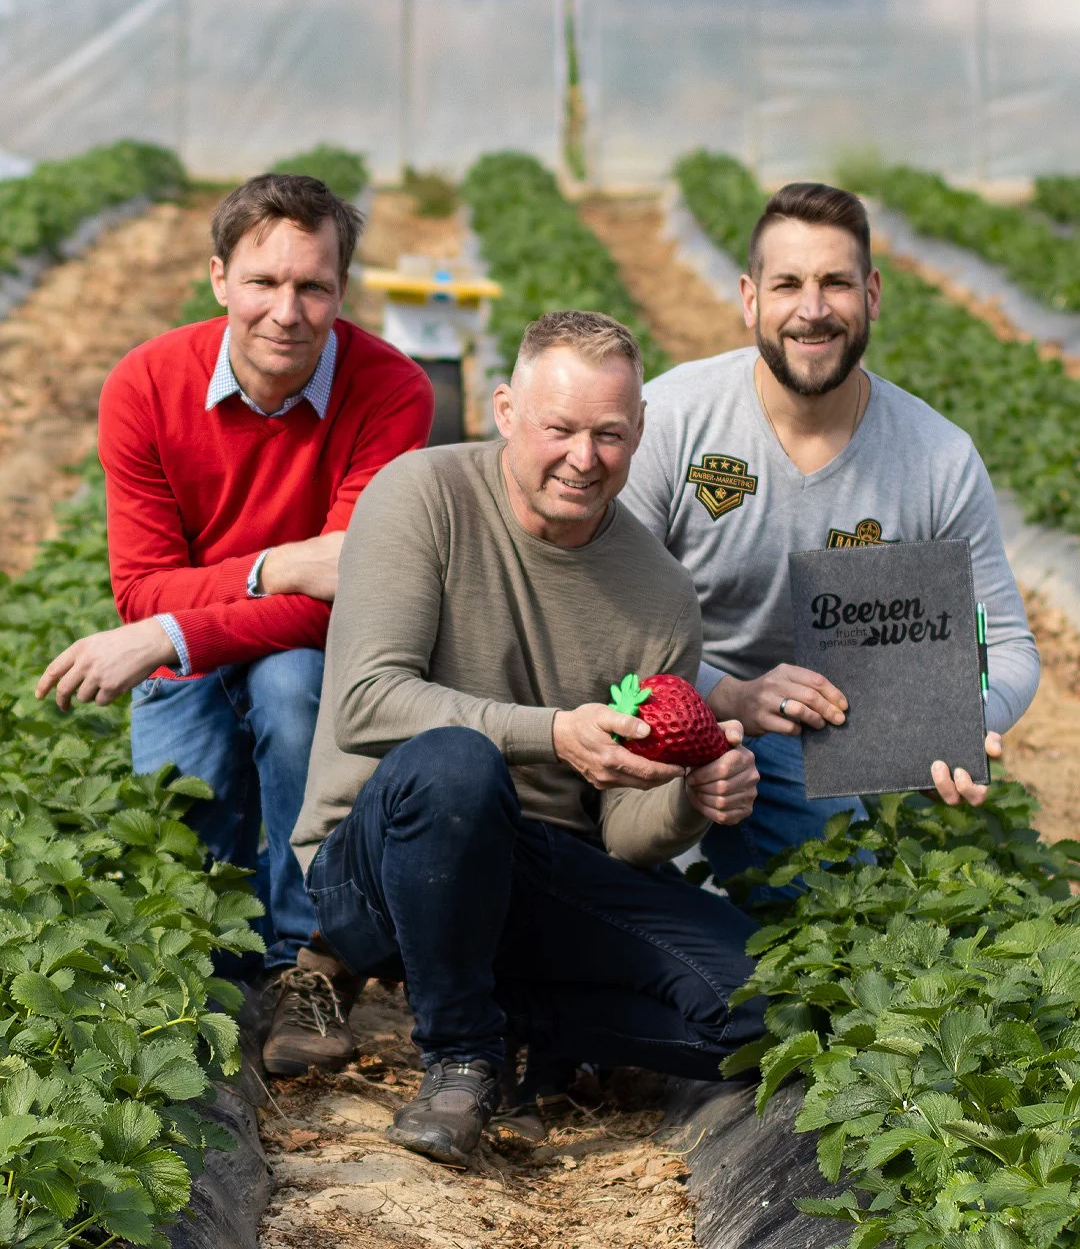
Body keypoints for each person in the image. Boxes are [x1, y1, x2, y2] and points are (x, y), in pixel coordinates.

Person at [290, 309, 765, 1166]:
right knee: (456, 767)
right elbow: (366, 700)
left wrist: (688, 798)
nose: (584, 459)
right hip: (383, 861)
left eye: (610, 435)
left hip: (538, 869)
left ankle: (521, 1017)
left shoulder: (658, 592)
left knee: (760, 1006)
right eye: (561, 429)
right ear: (506, 411)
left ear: (640, 432)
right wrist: (553, 733)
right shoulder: (422, 496)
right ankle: (462, 1057)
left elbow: (623, 830)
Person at [35, 172, 435, 1074]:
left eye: (313, 287)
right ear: (220, 277)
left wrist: (188, 620)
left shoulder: (390, 391)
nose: (286, 312)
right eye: (263, 282)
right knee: (187, 813)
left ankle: (310, 957)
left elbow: (352, 594)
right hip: (193, 644)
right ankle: (204, 968)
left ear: (342, 289)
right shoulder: (145, 385)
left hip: (303, 650)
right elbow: (140, 590)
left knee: (294, 692)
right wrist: (278, 567)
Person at [620, 181, 1040, 889]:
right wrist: (731, 694)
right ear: (751, 298)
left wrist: (955, 723)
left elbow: (1008, 645)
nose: (812, 310)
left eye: (836, 284)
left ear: (872, 295)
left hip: (847, 747)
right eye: (789, 284)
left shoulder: (935, 457)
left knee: (871, 871)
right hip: (677, 719)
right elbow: (603, 616)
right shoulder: (670, 419)